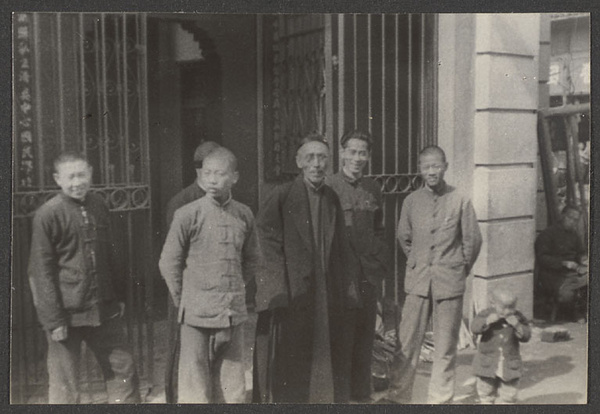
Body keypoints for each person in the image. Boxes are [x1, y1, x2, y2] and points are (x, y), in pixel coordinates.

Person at [253, 133, 360, 403]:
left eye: (322, 158)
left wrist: (348, 290)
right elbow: (266, 242)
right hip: (292, 292)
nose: (316, 164)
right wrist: (276, 290)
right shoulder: (281, 195)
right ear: (299, 162)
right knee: (291, 358)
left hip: (324, 291)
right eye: (310, 158)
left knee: (324, 351)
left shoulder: (331, 197)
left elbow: (341, 249)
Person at [28, 152, 141, 404]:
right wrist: (53, 320)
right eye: (70, 177)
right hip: (66, 314)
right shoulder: (48, 215)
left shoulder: (99, 205)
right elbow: (40, 271)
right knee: (65, 384)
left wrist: (119, 296)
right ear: (58, 179)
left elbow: (113, 255)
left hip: (104, 309)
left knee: (123, 370)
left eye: (82, 175)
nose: (77, 182)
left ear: (90, 173)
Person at [159, 147, 260, 403]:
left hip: (232, 314)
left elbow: (253, 259)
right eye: (207, 173)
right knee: (194, 386)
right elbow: (168, 262)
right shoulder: (187, 214)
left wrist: (233, 288)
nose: (212, 179)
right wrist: (185, 299)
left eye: (220, 173)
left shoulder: (244, 215)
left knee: (232, 385)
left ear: (234, 177)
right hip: (196, 316)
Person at [384, 145, 482, 404]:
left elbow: (472, 240)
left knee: (446, 346)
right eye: (426, 167)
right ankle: (399, 396)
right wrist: (419, 261)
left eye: (436, 166)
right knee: (406, 342)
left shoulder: (460, 199)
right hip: (417, 282)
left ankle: (440, 398)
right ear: (420, 170)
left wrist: (457, 266)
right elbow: (404, 237)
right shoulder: (411, 201)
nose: (432, 172)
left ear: (445, 167)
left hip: (449, 281)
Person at [326, 130, 390, 402]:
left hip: (367, 274)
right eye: (352, 152)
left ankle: (361, 394)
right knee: (342, 336)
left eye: (362, 152)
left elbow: (379, 229)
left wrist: (377, 262)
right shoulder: (329, 187)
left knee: (366, 335)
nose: (357, 158)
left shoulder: (373, 188)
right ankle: (339, 397)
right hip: (341, 274)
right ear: (342, 153)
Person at [163, 140, 220, 403]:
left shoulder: (224, 197)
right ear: (198, 170)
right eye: (210, 169)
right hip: (189, 290)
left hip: (217, 290)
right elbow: (174, 256)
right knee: (185, 351)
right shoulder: (182, 202)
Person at [471, 288, 531, 404]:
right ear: (493, 304)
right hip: (487, 364)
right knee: (485, 392)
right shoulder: (486, 314)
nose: (508, 311)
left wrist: (517, 325)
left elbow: (526, 336)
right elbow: (474, 327)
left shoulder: (518, 317)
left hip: (509, 364)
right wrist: (487, 321)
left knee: (509, 395)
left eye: (512, 307)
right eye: (504, 307)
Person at [535, 205, 588, 322]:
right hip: (552, 275)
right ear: (563, 215)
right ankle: (572, 311)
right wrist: (563, 263)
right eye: (570, 218)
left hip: (572, 273)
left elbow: (581, 253)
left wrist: (584, 260)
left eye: (576, 220)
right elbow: (542, 258)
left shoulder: (574, 235)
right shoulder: (548, 234)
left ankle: (579, 310)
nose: (573, 222)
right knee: (566, 296)